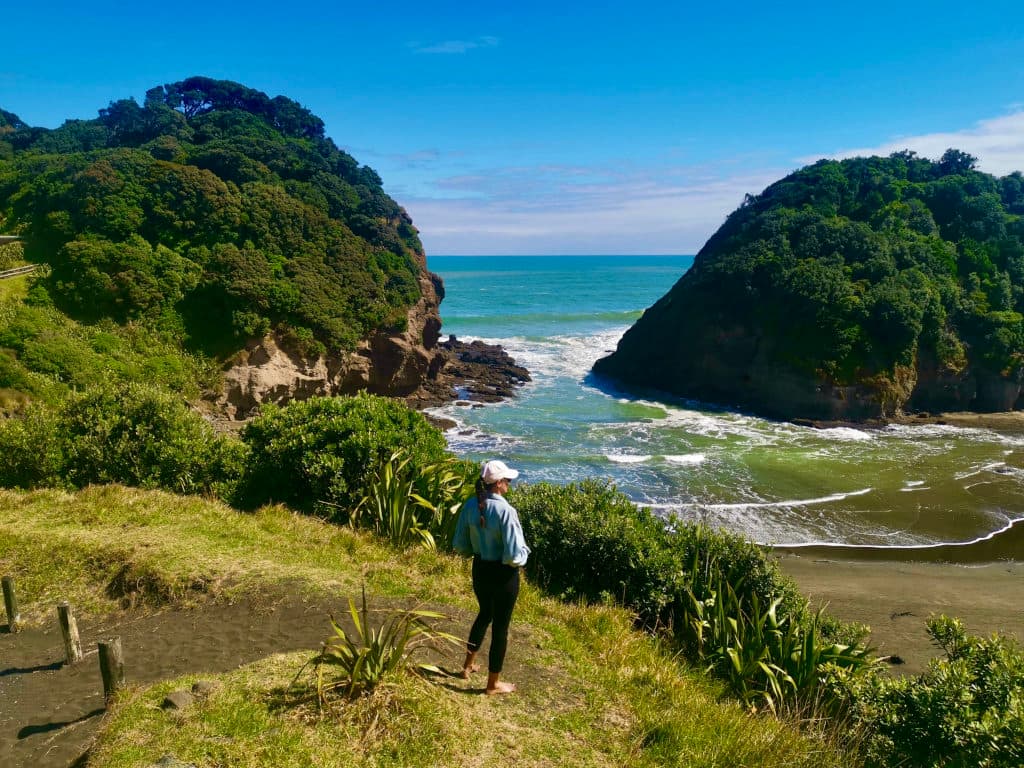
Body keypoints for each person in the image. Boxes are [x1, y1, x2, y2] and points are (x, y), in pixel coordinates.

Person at [452, 459, 530, 694]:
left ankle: (467, 667)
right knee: (501, 627)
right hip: (503, 575)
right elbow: (515, 555)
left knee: (484, 613)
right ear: (498, 484)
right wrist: (524, 558)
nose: (509, 484)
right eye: (507, 480)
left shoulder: (470, 505)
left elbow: (460, 545)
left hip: (480, 569)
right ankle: (493, 684)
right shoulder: (506, 511)